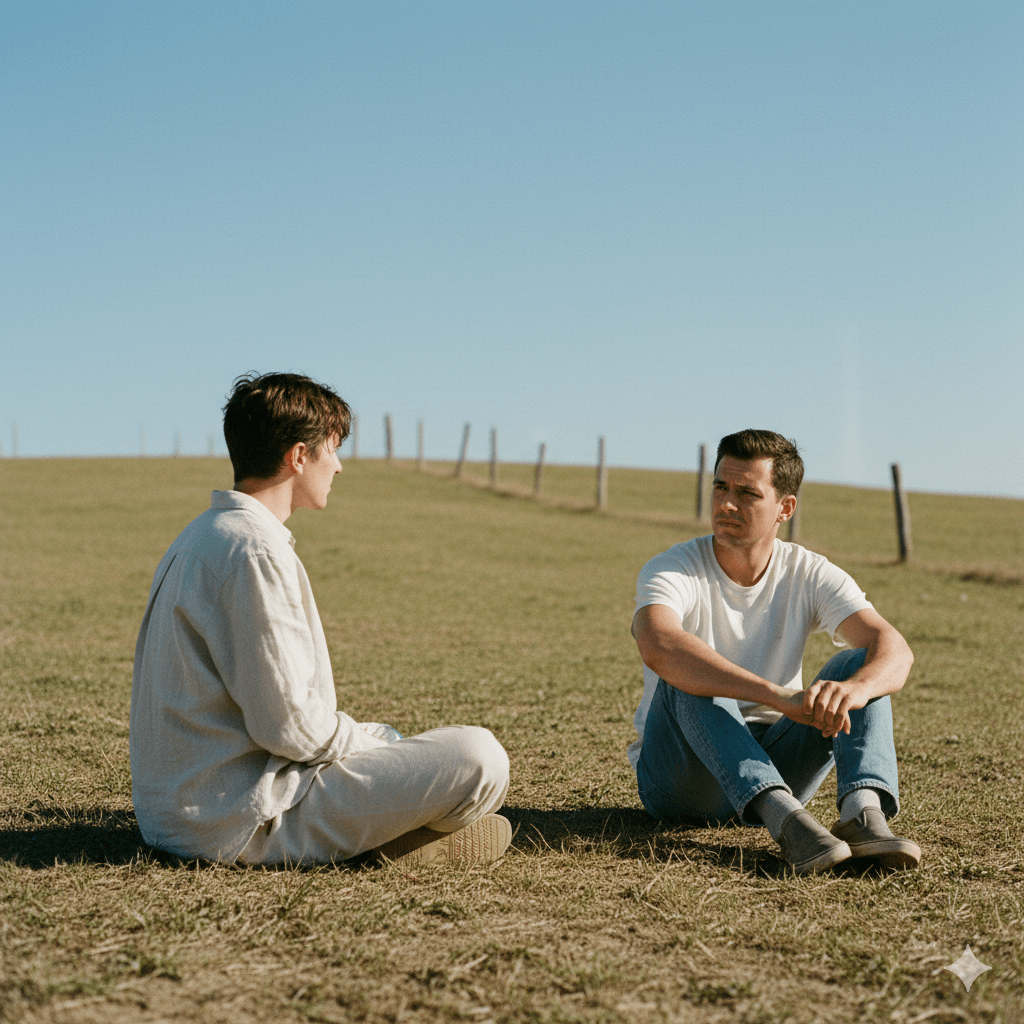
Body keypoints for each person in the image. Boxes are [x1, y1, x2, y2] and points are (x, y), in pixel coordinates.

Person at [130, 372, 511, 866]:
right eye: (331, 449)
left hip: (191, 810)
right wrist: (376, 746)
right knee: (480, 758)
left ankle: (384, 831)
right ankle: (381, 842)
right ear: (298, 456)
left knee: (395, 741)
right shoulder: (253, 551)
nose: (339, 466)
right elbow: (288, 727)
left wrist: (378, 740)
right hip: (239, 821)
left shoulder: (203, 535)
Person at [629, 429, 921, 874]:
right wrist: (775, 696)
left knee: (858, 665)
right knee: (686, 673)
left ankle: (863, 818)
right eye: (721, 487)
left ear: (785, 507)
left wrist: (856, 691)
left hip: (780, 764)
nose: (726, 504)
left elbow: (894, 649)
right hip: (682, 783)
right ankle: (789, 825)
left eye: (747, 493)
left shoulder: (808, 572)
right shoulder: (674, 567)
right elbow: (659, 644)